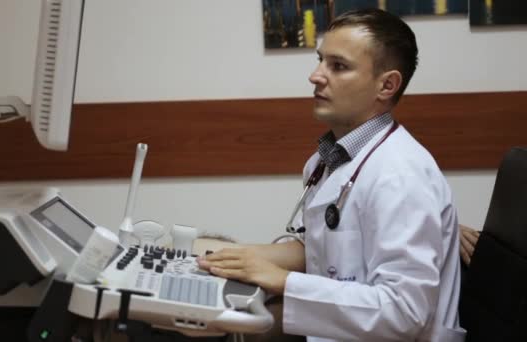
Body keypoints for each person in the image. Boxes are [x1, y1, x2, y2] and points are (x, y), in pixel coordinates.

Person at [198, 8, 466, 342]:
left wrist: (279, 280)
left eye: (338, 66)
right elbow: (324, 248)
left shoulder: (401, 176)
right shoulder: (331, 159)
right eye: (320, 60)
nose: (315, 75)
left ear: (387, 85)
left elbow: (404, 312)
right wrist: (234, 257)